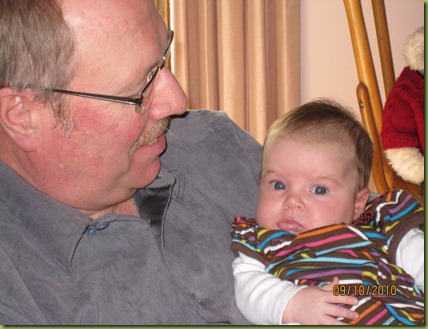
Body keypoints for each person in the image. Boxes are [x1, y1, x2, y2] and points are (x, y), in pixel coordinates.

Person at [0, 0, 264, 325]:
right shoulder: (12, 293)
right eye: (140, 89)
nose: (177, 102)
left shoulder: (217, 145)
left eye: (163, 60)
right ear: (22, 116)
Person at [230, 99, 425, 325]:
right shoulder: (259, 242)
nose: (292, 201)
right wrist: (294, 303)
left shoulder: (379, 223)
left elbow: (418, 258)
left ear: (358, 204)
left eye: (319, 190)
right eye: (278, 185)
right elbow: (249, 290)